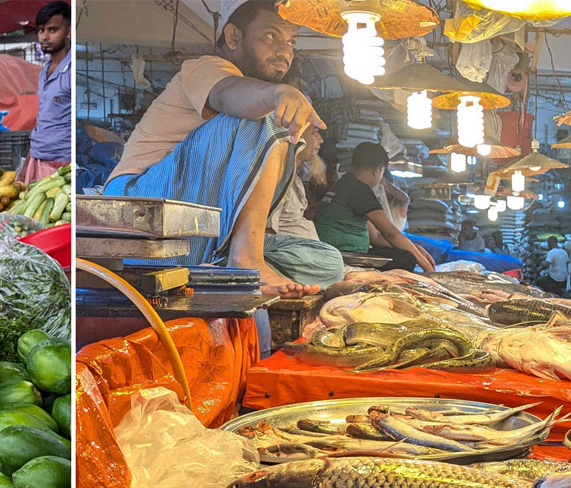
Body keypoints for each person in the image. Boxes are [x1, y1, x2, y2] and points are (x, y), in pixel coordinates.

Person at [103, 0, 337, 297]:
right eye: (271, 37)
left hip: (192, 232)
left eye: (291, 42)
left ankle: (228, 261)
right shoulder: (205, 68)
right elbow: (230, 96)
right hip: (137, 207)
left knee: (328, 262)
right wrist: (280, 92)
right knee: (264, 108)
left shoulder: (254, 93)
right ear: (233, 37)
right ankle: (244, 260)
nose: (284, 52)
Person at [312, 142, 436, 272]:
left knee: (406, 254)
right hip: (340, 252)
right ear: (376, 171)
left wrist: (413, 247)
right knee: (406, 259)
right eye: (382, 172)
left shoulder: (344, 183)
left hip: (341, 250)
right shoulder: (359, 189)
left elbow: (375, 237)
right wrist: (428, 269)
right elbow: (390, 233)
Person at [261, 125, 345, 287]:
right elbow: (266, 234)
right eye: (315, 132)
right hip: (279, 253)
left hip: (300, 255)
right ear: (294, 135)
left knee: (333, 261)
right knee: (333, 261)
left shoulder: (294, 177)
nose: (320, 140)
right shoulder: (276, 176)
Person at [19, 1, 71, 183]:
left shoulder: (71, 70)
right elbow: (44, 118)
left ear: (69, 32)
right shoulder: (44, 71)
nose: (44, 37)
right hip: (39, 156)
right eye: (41, 30)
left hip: (62, 165)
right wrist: (29, 159)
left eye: (52, 30)